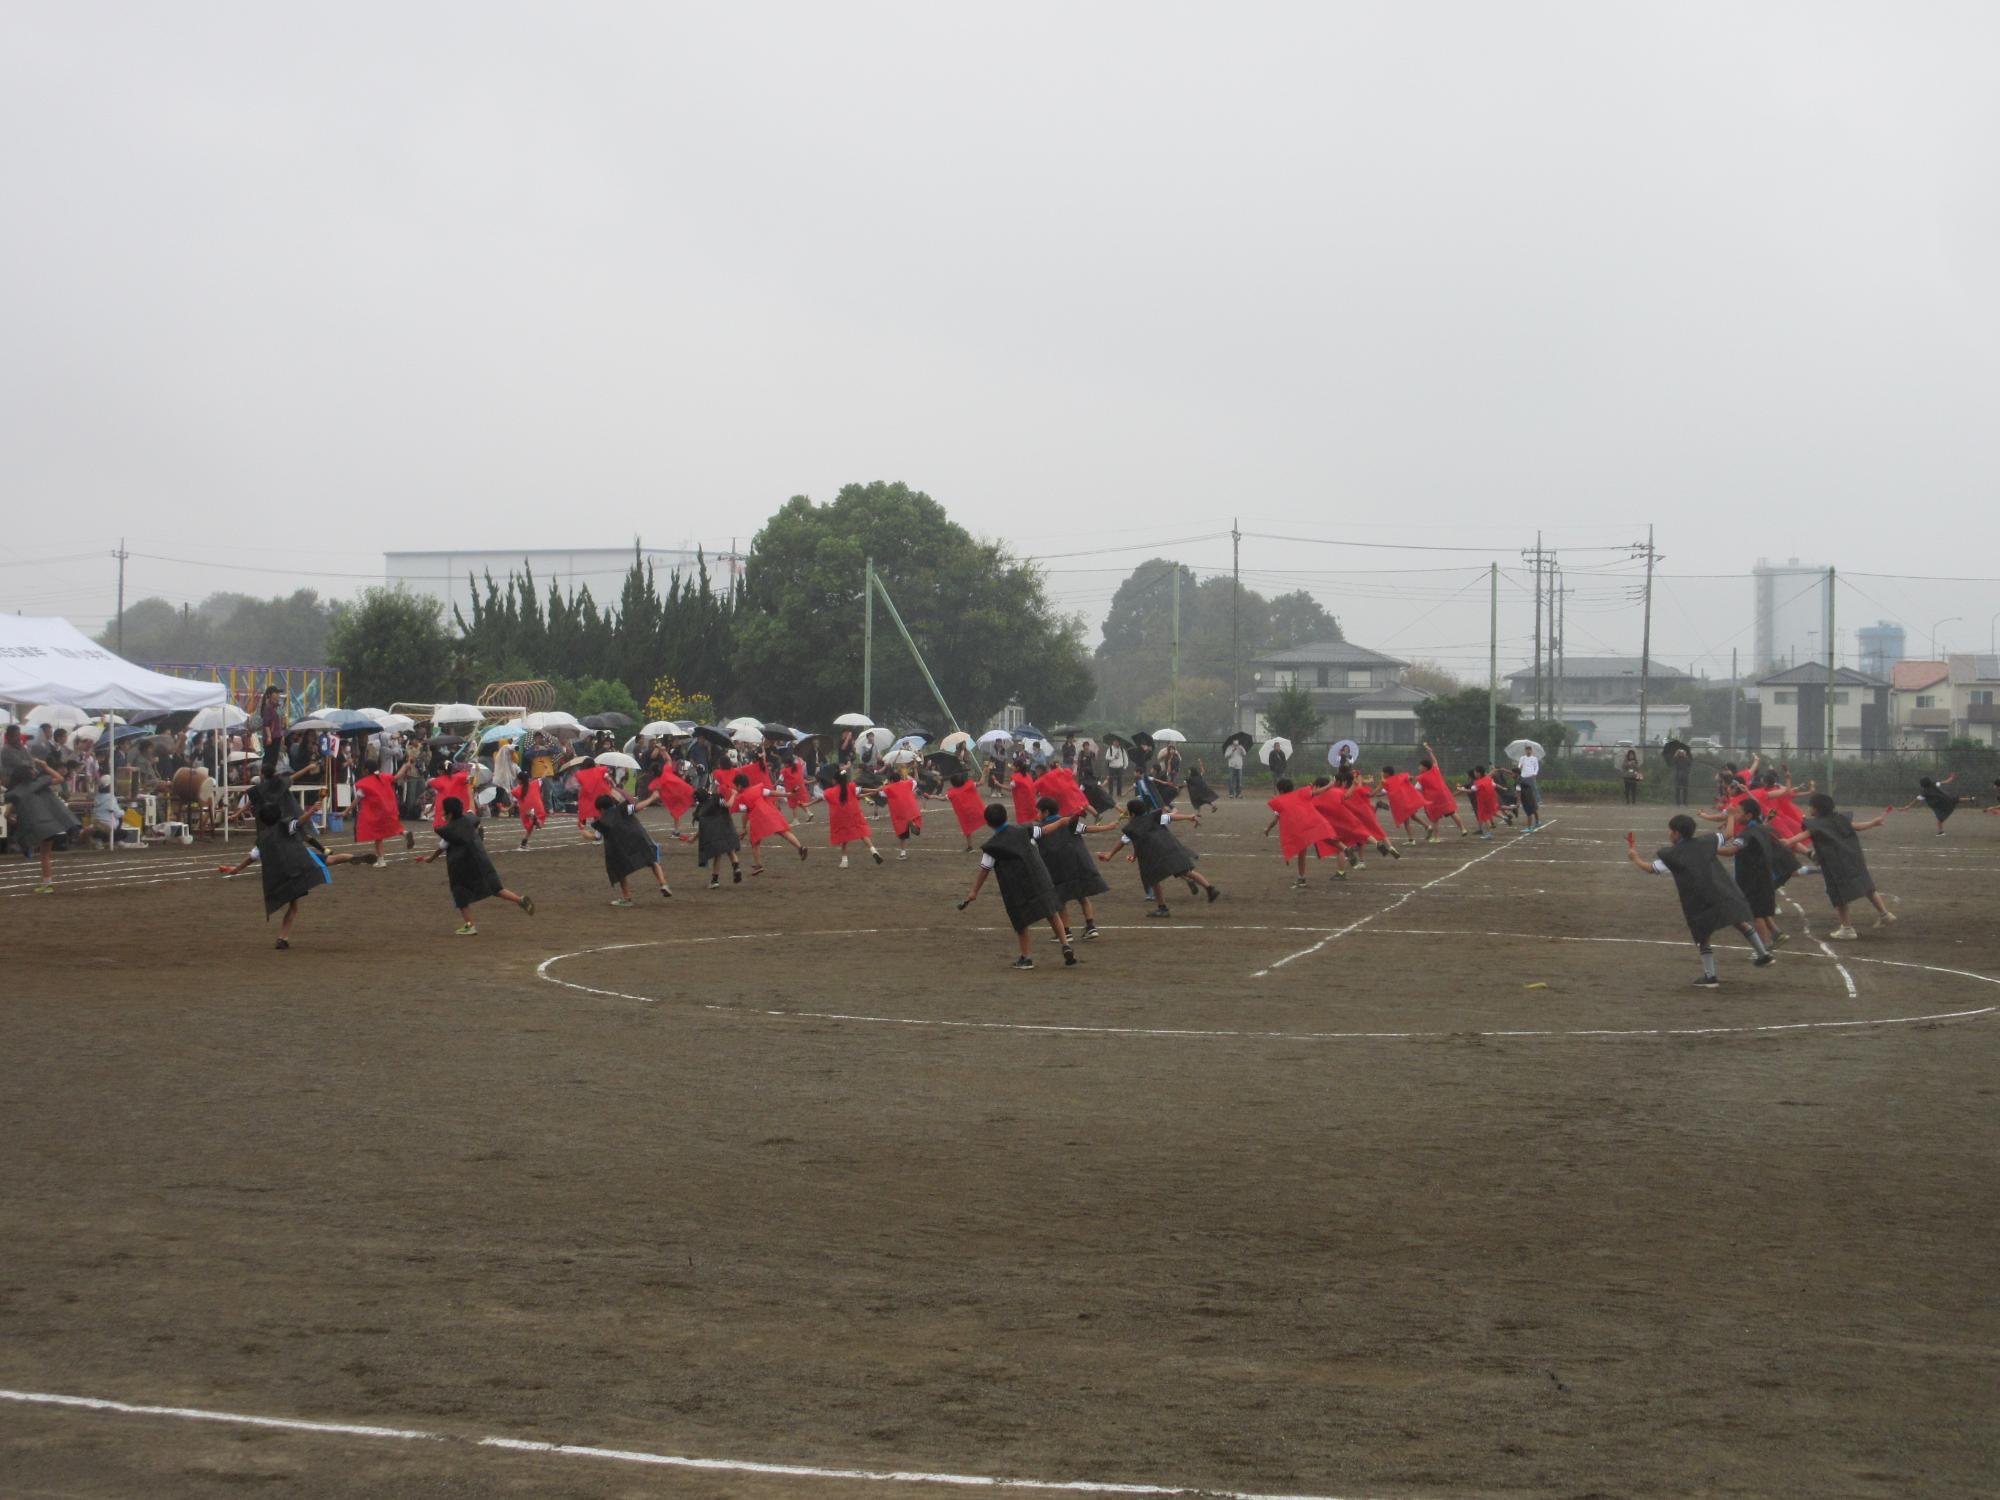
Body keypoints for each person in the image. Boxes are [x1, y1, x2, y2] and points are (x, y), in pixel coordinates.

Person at [1624, 816, 1775, 986]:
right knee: (1739, 922)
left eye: (1670, 831)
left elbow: (1651, 869)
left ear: (1677, 833)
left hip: (1700, 900)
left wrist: (1635, 858)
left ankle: (1710, 976)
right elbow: (1729, 834)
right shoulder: (1708, 840)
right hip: (1723, 891)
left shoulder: (1671, 854)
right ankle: (1763, 954)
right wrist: (1731, 815)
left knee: (1703, 936)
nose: (1669, 834)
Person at [959, 803, 1075, 969]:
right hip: (1038, 878)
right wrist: (1062, 822)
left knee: (1021, 921)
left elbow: (984, 870)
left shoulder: (991, 846)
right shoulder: (1024, 830)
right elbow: (1045, 830)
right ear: (1006, 816)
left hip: (1016, 886)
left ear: (988, 823)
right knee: (1051, 911)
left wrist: (973, 892)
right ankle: (1065, 945)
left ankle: (1026, 958)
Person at [1786, 793, 1895, 939]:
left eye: (1811, 806)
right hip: (1853, 858)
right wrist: (1874, 822)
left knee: (1838, 895)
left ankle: (1847, 928)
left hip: (1834, 864)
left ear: (1817, 809)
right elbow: (1858, 827)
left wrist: (1783, 841)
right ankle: (1884, 914)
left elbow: (1794, 840)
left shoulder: (1815, 825)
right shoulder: (1841, 819)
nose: (1809, 808)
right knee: (1866, 885)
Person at [417, 797, 533, 935]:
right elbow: (473, 814)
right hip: (481, 860)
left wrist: (429, 859)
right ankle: (519, 899)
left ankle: (470, 925)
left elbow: (442, 847)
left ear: (449, 813)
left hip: (462, 866)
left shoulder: (449, 830)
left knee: (459, 893)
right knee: (495, 887)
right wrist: (469, 792)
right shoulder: (469, 820)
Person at [1100, 798, 1219, 917]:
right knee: (1187, 871)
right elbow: (1171, 817)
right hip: (1170, 847)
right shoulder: (1153, 817)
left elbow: (1123, 842)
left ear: (1132, 814)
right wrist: (1189, 817)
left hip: (1154, 854)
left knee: (1153, 879)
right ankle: (1210, 888)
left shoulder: (1131, 827)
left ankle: (1162, 908)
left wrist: (1110, 855)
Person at [1721, 798, 1797, 950]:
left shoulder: (1747, 834)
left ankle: (1765, 946)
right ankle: (1777, 933)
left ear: (1748, 816)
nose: (1736, 815)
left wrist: (1710, 849)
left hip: (1752, 879)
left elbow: (1731, 850)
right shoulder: (1761, 828)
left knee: (1755, 913)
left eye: (1738, 813)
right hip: (1764, 876)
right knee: (1761, 909)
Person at [1033, 795, 1107, 940]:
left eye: (1038, 811)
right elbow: (1086, 829)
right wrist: (1108, 827)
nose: (1036, 814)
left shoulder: (1042, 828)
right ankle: (1091, 926)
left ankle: (1066, 931)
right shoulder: (1068, 822)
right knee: (1082, 896)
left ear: (1046, 812)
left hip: (1056, 868)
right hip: (1076, 865)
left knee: (1060, 900)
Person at [5, 764, 79, 894]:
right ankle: (46, 882)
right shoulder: (40, 783)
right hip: (53, 824)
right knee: (45, 854)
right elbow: (60, 778)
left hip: (39, 827)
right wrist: (45, 766)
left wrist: (12, 819)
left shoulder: (17, 791)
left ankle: (46, 882)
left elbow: (7, 813)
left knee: (42, 853)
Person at [592, 794, 672, 904]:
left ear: (601, 809)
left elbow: (596, 837)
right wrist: (652, 798)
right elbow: (637, 807)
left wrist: (583, 832)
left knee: (620, 870)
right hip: (637, 838)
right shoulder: (621, 808)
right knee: (652, 860)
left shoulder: (602, 820)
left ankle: (627, 897)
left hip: (620, 846)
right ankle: (663, 883)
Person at [1264, 778, 1340, 888]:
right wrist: (1329, 785)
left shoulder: (1280, 800)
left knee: (1301, 854)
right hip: (1310, 822)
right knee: (1326, 837)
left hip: (1298, 830)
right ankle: (1345, 848)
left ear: (1280, 790)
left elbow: (1275, 820)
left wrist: (1267, 829)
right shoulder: (1300, 793)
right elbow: (1315, 792)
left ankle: (1301, 877)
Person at [731, 770, 808, 873]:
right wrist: (788, 794)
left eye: (736, 786)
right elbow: (772, 793)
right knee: (783, 832)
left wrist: (744, 828)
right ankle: (800, 847)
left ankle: (758, 865)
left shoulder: (741, 797)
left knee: (755, 842)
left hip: (757, 818)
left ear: (739, 786)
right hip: (769, 812)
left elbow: (744, 812)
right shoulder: (758, 788)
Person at [352, 757, 412, 861]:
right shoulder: (384, 777)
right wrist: (405, 766)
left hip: (377, 813)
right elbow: (398, 776)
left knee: (378, 836)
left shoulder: (364, 783)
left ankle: (381, 860)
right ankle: (405, 833)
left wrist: (346, 811)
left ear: (366, 770)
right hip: (389, 809)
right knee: (394, 826)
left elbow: (357, 800)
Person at [823, 767, 884, 868]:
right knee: (863, 833)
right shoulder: (851, 786)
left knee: (844, 837)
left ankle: (844, 860)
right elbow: (861, 791)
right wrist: (875, 790)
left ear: (836, 780)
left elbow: (821, 797)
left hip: (841, 817)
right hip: (853, 814)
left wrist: (807, 804)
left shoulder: (831, 791)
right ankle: (873, 850)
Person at [691, 785, 744, 887]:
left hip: (714, 833)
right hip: (726, 827)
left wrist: (694, 837)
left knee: (717, 856)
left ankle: (715, 881)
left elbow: (703, 827)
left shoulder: (701, 809)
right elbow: (728, 805)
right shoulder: (716, 798)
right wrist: (733, 794)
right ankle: (736, 868)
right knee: (730, 850)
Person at [1414, 744, 1468, 839]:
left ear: (1425, 768)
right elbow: (1435, 761)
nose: (1418, 768)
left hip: (1433, 799)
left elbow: (1416, 789)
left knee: (1435, 818)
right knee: (1452, 813)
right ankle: (1463, 829)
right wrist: (1430, 752)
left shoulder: (1421, 778)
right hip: (1443, 795)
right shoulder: (1435, 770)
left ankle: (1436, 838)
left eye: (1420, 766)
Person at [1902, 773, 1975, 835]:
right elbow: (1946, 782)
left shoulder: (1924, 793)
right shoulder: (1934, 784)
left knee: (1940, 819)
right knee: (1957, 799)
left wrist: (1908, 806)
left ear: (1922, 785)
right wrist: (1951, 778)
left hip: (1941, 806)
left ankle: (1941, 832)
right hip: (1947, 800)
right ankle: (1970, 799)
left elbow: (1916, 800)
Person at [1377, 763, 1430, 843]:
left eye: (1383, 772)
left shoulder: (1387, 781)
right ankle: (1427, 826)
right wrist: (1411, 778)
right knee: (1413, 816)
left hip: (1402, 804)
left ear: (1387, 773)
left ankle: (1411, 840)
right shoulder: (1399, 776)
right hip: (1408, 801)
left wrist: (1372, 795)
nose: (1382, 774)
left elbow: (1383, 791)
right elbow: (1409, 778)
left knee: (1406, 822)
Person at [880, 766, 924, 859]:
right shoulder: (908, 783)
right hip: (911, 809)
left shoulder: (888, 788)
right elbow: (915, 781)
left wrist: (884, 784)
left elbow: (881, 793)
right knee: (916, 828)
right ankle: (915, 826)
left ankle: (903, 853)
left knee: (902, 832)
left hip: (900, 812)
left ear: (891, 780)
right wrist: (905, 776)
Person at [944, 771, 987, 853]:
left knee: (967, 828)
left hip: (965, 814)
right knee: (990, 820)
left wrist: (932, 796)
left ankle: (970, 847)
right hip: (977, 809)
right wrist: (984, 773)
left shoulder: (952, 792)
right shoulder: (969, 785)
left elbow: (943, 799)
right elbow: (981, 782)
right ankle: (1001, 834)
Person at [1461, 764, 1500, 841]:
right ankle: (1489, 833)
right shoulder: (1488, 778)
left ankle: (1489, 834)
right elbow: (1493, 783)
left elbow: (1471, 791)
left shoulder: (1478, 782)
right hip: (1490, 801)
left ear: (1479, 773)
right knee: (1487, 817)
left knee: (1485, 818)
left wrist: (1462, 790)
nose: (1474, 773)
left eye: (1475, 772)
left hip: (1483, 802)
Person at [1513, 745, 1543, 830]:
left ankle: (1536, 800)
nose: (1528, 751)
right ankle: (1529, 802)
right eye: (1527, 750)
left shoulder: (1534, 758)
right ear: (1525, 751)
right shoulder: (1522, 758)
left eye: (1529, 750)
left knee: (1533, 789)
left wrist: (1535, 773)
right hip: (1523, 776)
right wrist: (1519, 768)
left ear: (1531, 750)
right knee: (1524, 791)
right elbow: (1519, 766)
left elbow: (1537, 767)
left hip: (1531, 776)